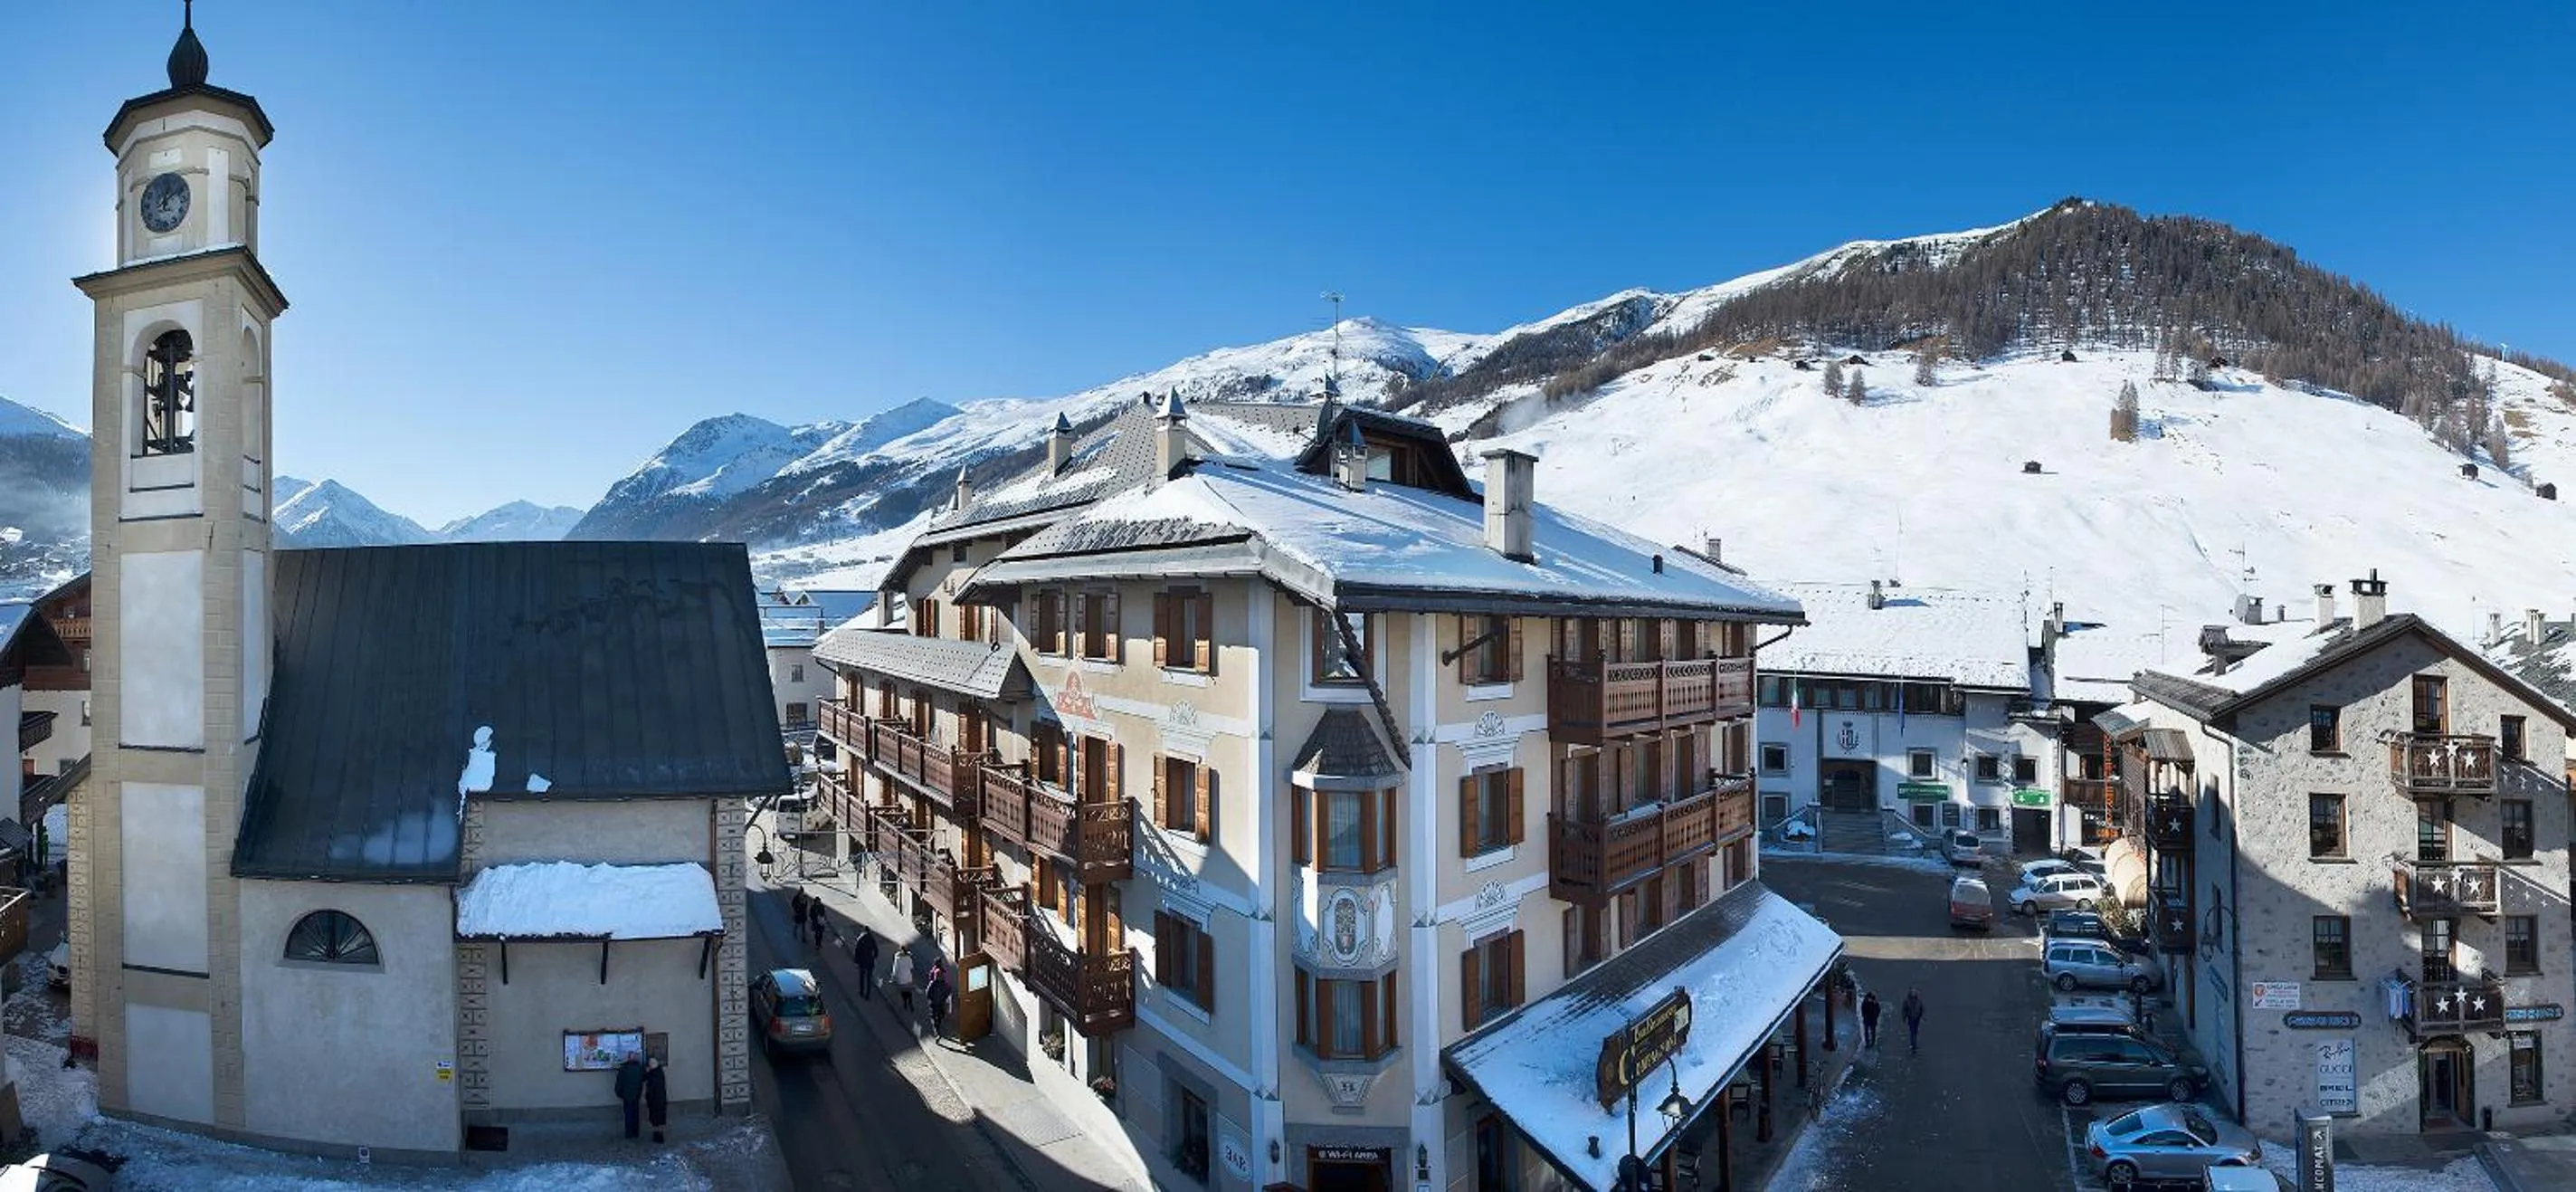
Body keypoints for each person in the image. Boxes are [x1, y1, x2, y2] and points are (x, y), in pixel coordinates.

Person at [613, 1054, 646, 1140]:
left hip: (627, 1096)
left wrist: (619, 1093)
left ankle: (629, 1133)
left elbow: (619, 1082)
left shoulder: (624, 1069)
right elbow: (643, 1079)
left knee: (628, 1114)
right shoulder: (639, 1068)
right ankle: (636, 1132)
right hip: (636, 1095)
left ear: (628, 1059)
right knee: (635, 1114)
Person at [643, 1055, 670, 1144]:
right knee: (659, 1119)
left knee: (656, 1119)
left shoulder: (654, 1074)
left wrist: (648, 1097)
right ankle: (659, 1135)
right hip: (660, 1099)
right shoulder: (659, 1072)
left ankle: (658, 1136)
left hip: (655, 1100)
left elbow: (651, 1087)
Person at [926, 964, 955, 1039]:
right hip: (940, 1004)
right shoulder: (944, 984)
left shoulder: (933, 984)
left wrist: (931, 999)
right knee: (939, 1016)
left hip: (934, 1004)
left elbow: (928, 993)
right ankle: (938, 1029)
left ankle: (937, 1030)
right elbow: (949, 991)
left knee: (935, 1017)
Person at [851, 929, 880, 997]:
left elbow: (857, 951)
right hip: (870, 961)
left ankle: (861, 992)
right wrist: (875, 956)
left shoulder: (860, 939)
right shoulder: (872, 939)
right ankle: (868, 994)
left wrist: (856, 962)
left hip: (862, 961)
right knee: (869, 978)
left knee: (862, 977)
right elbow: (876, 949)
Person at [889, 947, 916, 1015]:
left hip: (901, 978)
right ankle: (910, 1003)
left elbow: (895, 969)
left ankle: (905, 1004)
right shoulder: (909, 958)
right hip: (908, 978)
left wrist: (893, 978)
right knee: (909, 992)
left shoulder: (898, 959)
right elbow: (911, 968)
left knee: (903, 992)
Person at [1901, 987, 1926, 1054]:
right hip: (1911, 1018)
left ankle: (1914, 1044)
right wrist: (1904, 1018)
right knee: (1913, 1032)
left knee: (1915, 1031)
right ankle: (1914, 1045)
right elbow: (1904, 1010)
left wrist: (1922, 1016)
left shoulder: (1919, 1001)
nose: (1913, 998)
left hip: (1916, 1018)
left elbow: (1922, 1008)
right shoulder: (1906, 1001)